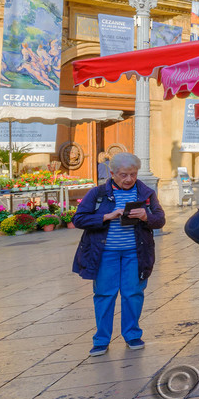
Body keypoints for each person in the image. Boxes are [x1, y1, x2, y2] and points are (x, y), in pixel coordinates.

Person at [71, 152, 166, 356]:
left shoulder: (146, 193)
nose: (129, 179)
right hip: (105, 253)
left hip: (136, 252)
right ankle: (101, 339)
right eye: (123, 175)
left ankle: (132, 335)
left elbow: (159, 220)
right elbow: (78, 219)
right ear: (112, 173)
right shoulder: (97, 193)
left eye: (133, 174)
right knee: (105, 294)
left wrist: (145, 216)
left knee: (133, 294)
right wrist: (106, 216)